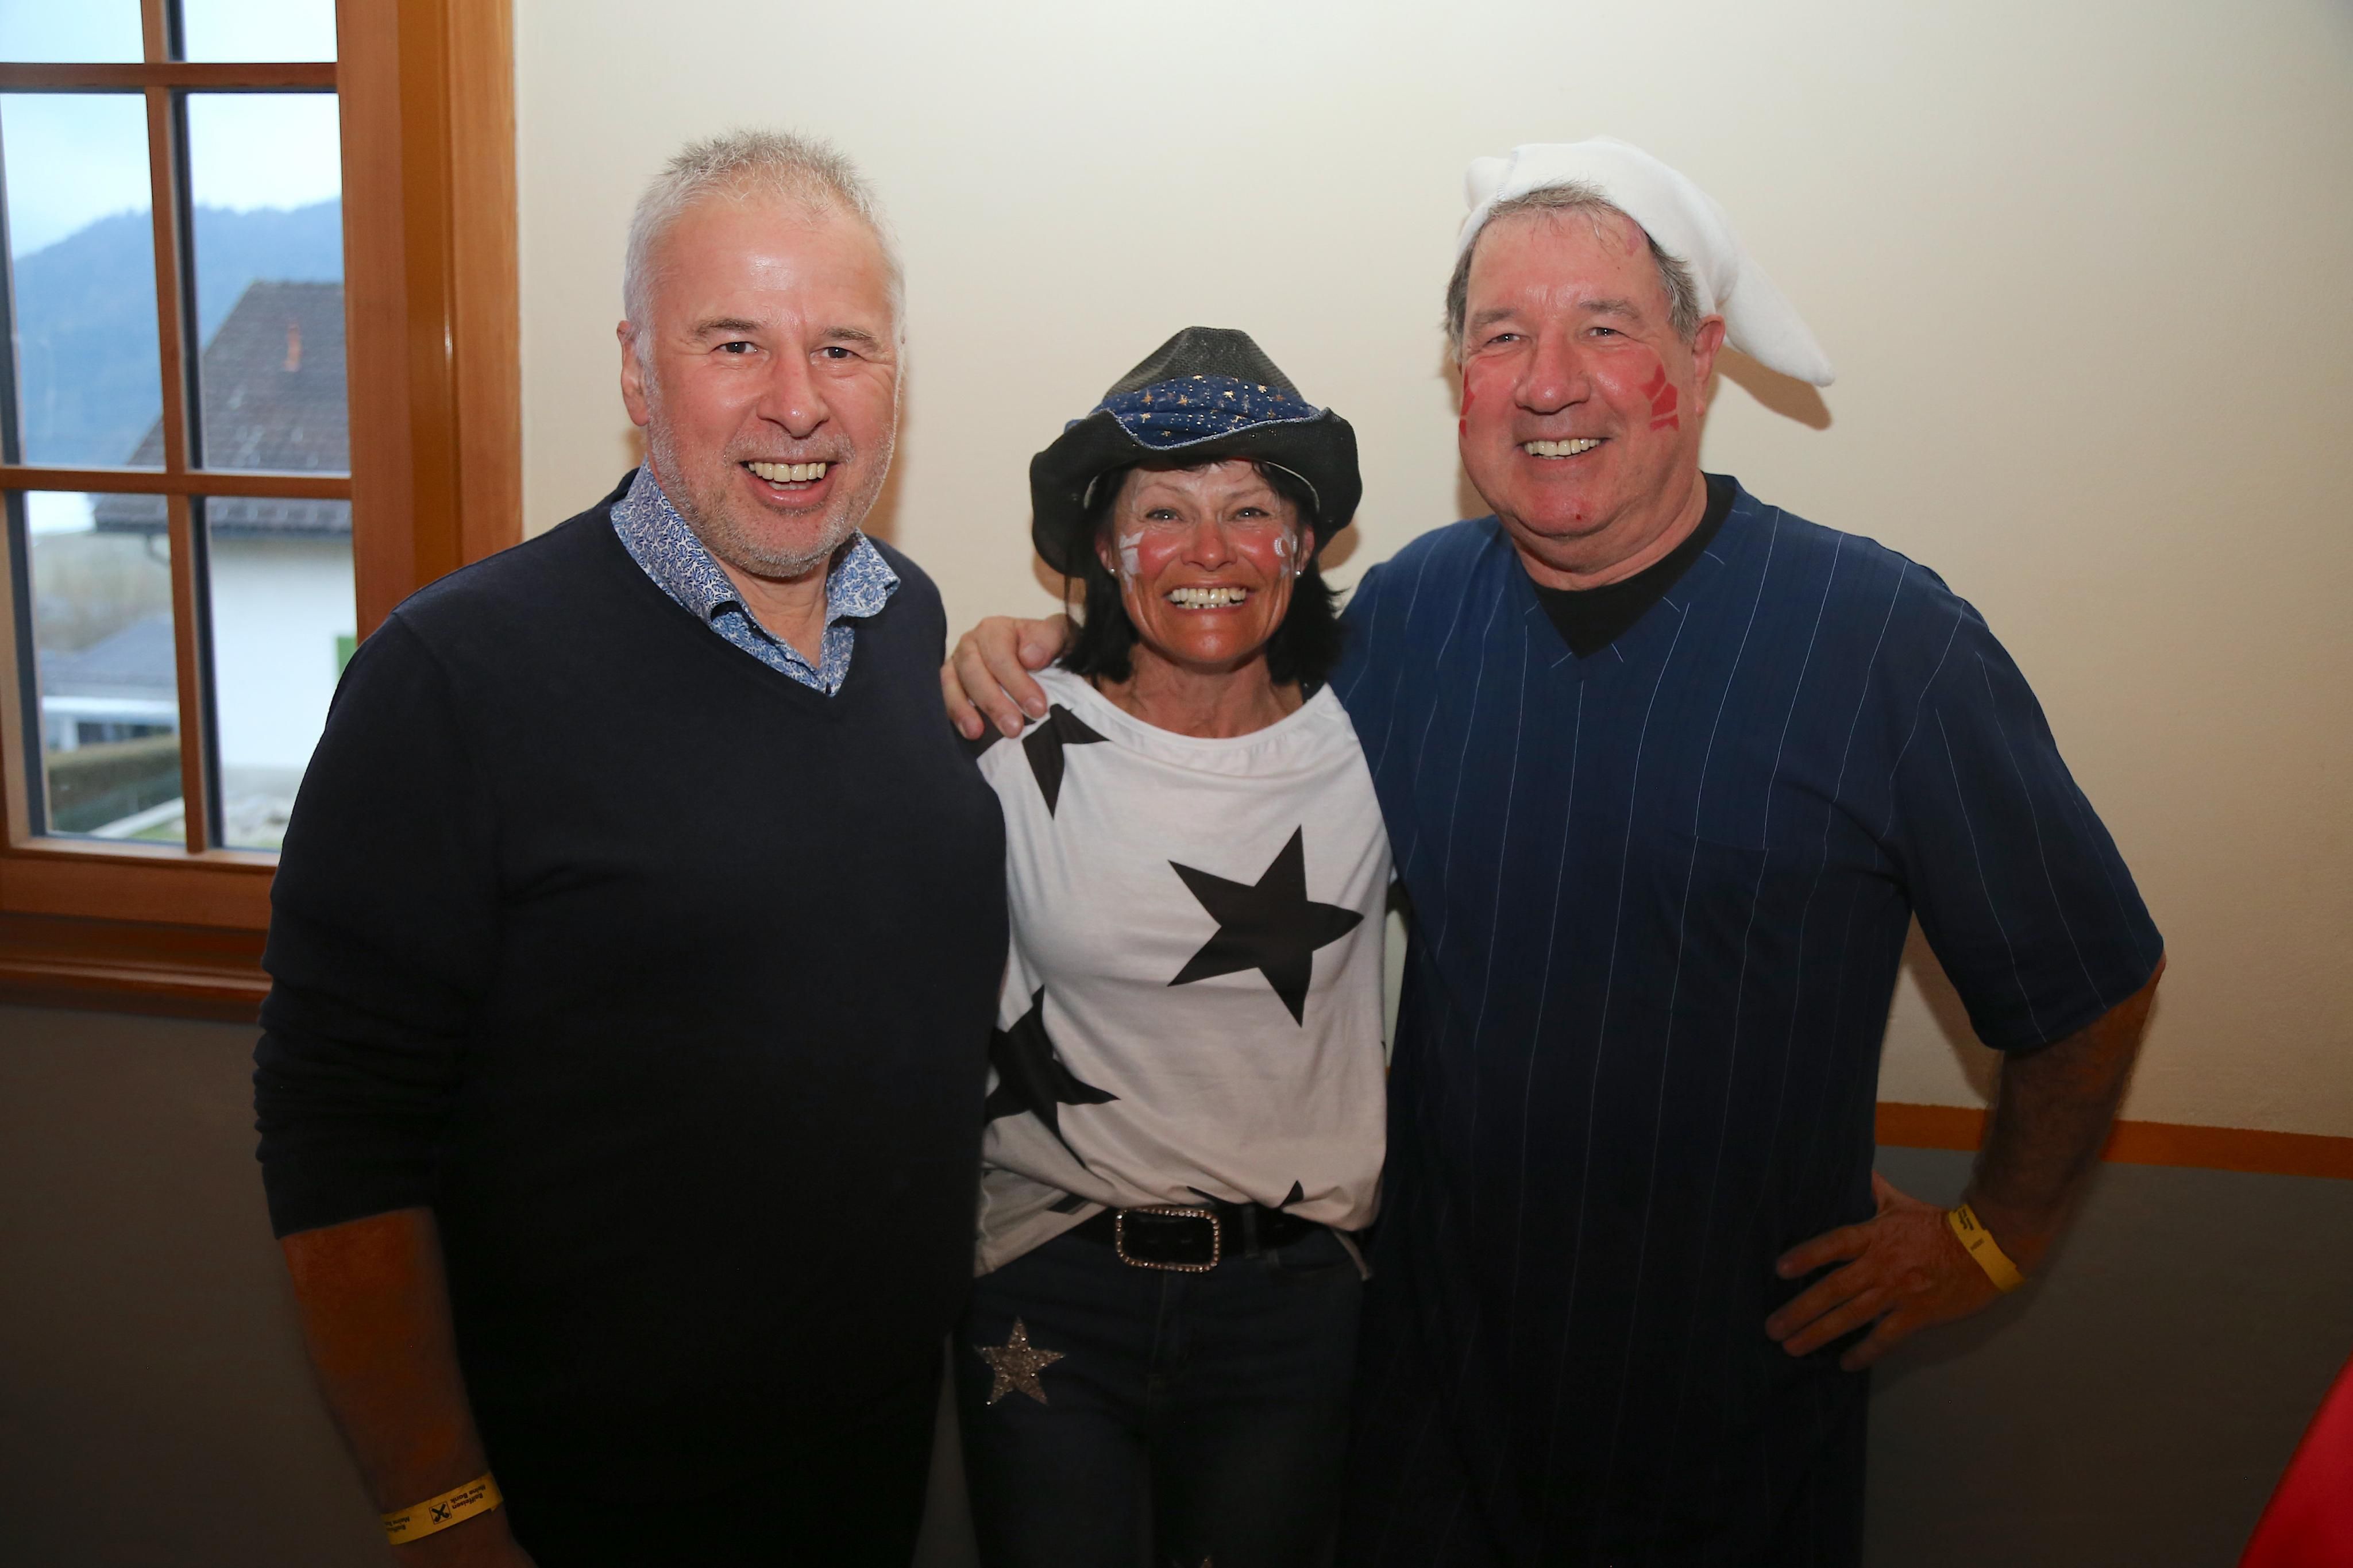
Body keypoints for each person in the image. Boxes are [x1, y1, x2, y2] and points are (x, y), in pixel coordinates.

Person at [942, 137, 2166, 1565]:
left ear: (1698, 359)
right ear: (1456, 377)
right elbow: (1211, 708)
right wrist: (1038, 646)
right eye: (1500, 336)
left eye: (1603, 328)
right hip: (1427, 1398)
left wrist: (1991, 1233)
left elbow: (2086, 976)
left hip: (1733, 1402)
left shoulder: (1884, 643)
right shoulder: (1409, 620)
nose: (1546, 382)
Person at [253, 132, 1006, 1566]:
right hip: (585, 1499)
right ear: (636, 372)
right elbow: (336, 1131)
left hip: (868, 1462)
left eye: (842, 348)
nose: (798, 403)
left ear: (895, 375)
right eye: (734, 343)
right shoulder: (455, 676)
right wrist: (441, 1512)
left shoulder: (906, 621)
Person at [954, 327, 1390, 1568]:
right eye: (1163, 512)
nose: (1209, 551)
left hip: (1292, 1305)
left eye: (1250, 510)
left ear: (1302, 544)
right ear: (1105, 547)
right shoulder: (1004, 732)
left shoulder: (1381, 736)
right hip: (1046, 1284)